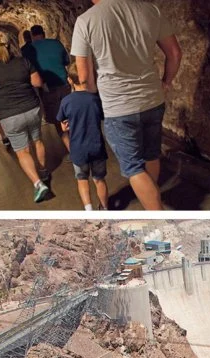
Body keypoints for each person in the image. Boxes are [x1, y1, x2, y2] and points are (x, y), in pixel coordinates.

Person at [71, 0, 182, 210]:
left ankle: (158, 218)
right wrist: (166, 82)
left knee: (133, 168)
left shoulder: (86, 21)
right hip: (152, 99)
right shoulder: (150, 9)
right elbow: (175, 53)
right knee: (151, 155)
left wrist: (94, 96)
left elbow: (84, 78)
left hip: (118, 106)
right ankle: (152, 201)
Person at [0, 30, 52, 203]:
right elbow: (37, 82)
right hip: (31, 108)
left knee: (22, 151)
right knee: (38, 141)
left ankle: (38, 184)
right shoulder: (23, 61)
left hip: (9, 115)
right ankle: (44, 172)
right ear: (10, 44)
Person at [57, 62, 109, 210]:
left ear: (70, 80)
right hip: (97, 146)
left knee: (82, 180)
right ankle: (105, 208)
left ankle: (89, 210)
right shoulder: (95, 99)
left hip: (78, 149)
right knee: (99, 179)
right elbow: (102, 117)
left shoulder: (66, 101)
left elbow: (63, 125)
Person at [30, 24, 72, 150]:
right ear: (43, 33)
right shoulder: (55, 43)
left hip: (47, 89)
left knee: (58, 121)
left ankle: (71, 149)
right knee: (72, 116)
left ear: (32, 36)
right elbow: (66, 61)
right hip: (65, 85)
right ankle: (81, 144)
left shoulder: (28, 49)